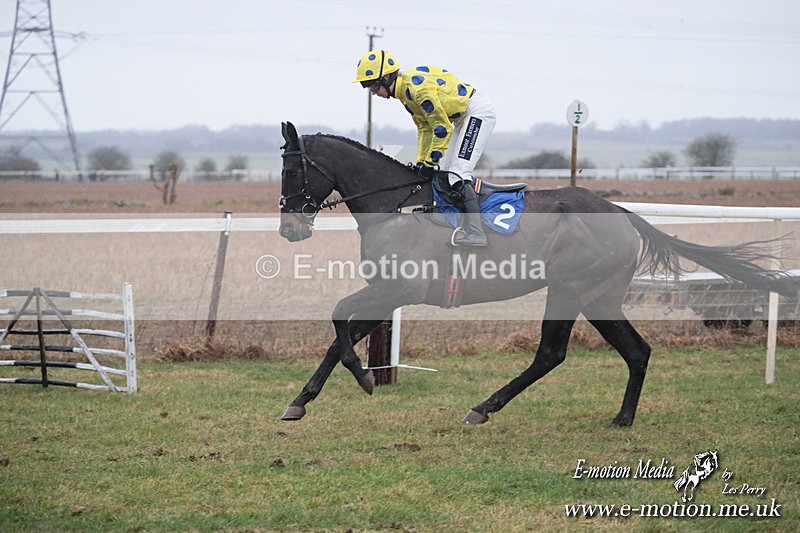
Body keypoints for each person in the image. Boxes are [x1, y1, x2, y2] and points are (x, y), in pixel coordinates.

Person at [353, 49, 496, 246]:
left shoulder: (417, 91)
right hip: (459, 117)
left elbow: (442, 129)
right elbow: (424, 129)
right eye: (369, 88)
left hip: (476, 112)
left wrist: (430, 162)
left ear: (386, 77)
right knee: (445, 174)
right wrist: (422, 163)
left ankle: (476, 232)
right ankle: (457, 224)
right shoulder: (404, 93)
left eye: (374, 86)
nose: (374, 93)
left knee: (457, 174)